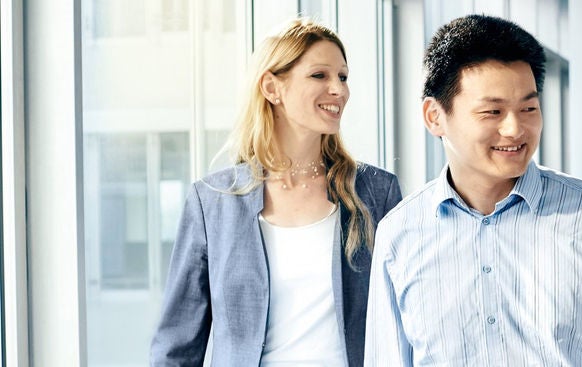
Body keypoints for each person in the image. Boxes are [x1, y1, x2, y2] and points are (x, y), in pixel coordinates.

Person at [363, 14, 582, 365]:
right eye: (493, 111)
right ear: (435, 116)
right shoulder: (399, 234)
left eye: (529, 108)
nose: (515, 129)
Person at [151, 18, 403, 366]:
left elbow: (407, 321)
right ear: (272, 87)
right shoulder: (212, 203)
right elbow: (175, 346)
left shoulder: (377, 193)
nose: (339, 90)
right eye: (320, 76)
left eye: (343, 77)